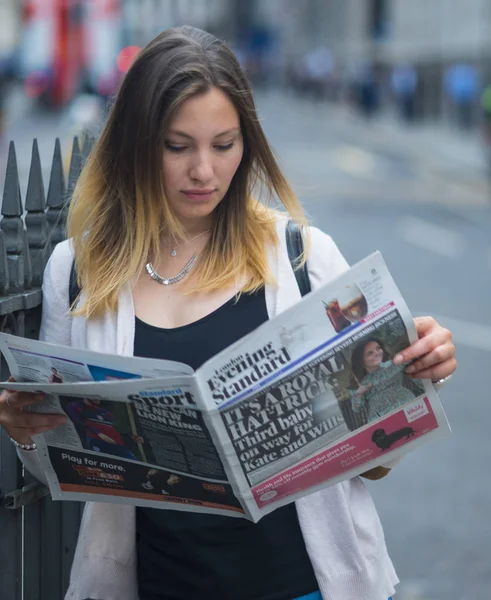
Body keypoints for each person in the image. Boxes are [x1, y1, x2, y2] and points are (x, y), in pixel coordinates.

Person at [0, 26, 456, 600]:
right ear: (136, 143)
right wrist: (24, 432)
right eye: (177, 145)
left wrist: (412, 374)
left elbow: (371, 463)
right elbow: (65, 470)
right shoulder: (77, 270)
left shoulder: (304, 257)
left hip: (307, 587)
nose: (204, 172)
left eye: (224, 144)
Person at [350, 337, 422, 423]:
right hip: (379, 417)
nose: (376, 353)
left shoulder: (394, 364)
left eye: (378, 348)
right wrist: (359, 394)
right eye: (370, 353)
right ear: (362, 361)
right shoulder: (362, 383)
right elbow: (356, 408)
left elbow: (418, 377)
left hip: (406, 405)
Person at [63, 397, 140, 460]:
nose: (97, 398)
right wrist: (99, 434)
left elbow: (112, 429)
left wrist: (131, 437)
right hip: (97, 442)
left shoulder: (106, 413)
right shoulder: (75, 406)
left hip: (118, 445)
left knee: (133, 462)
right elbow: (78, 422)